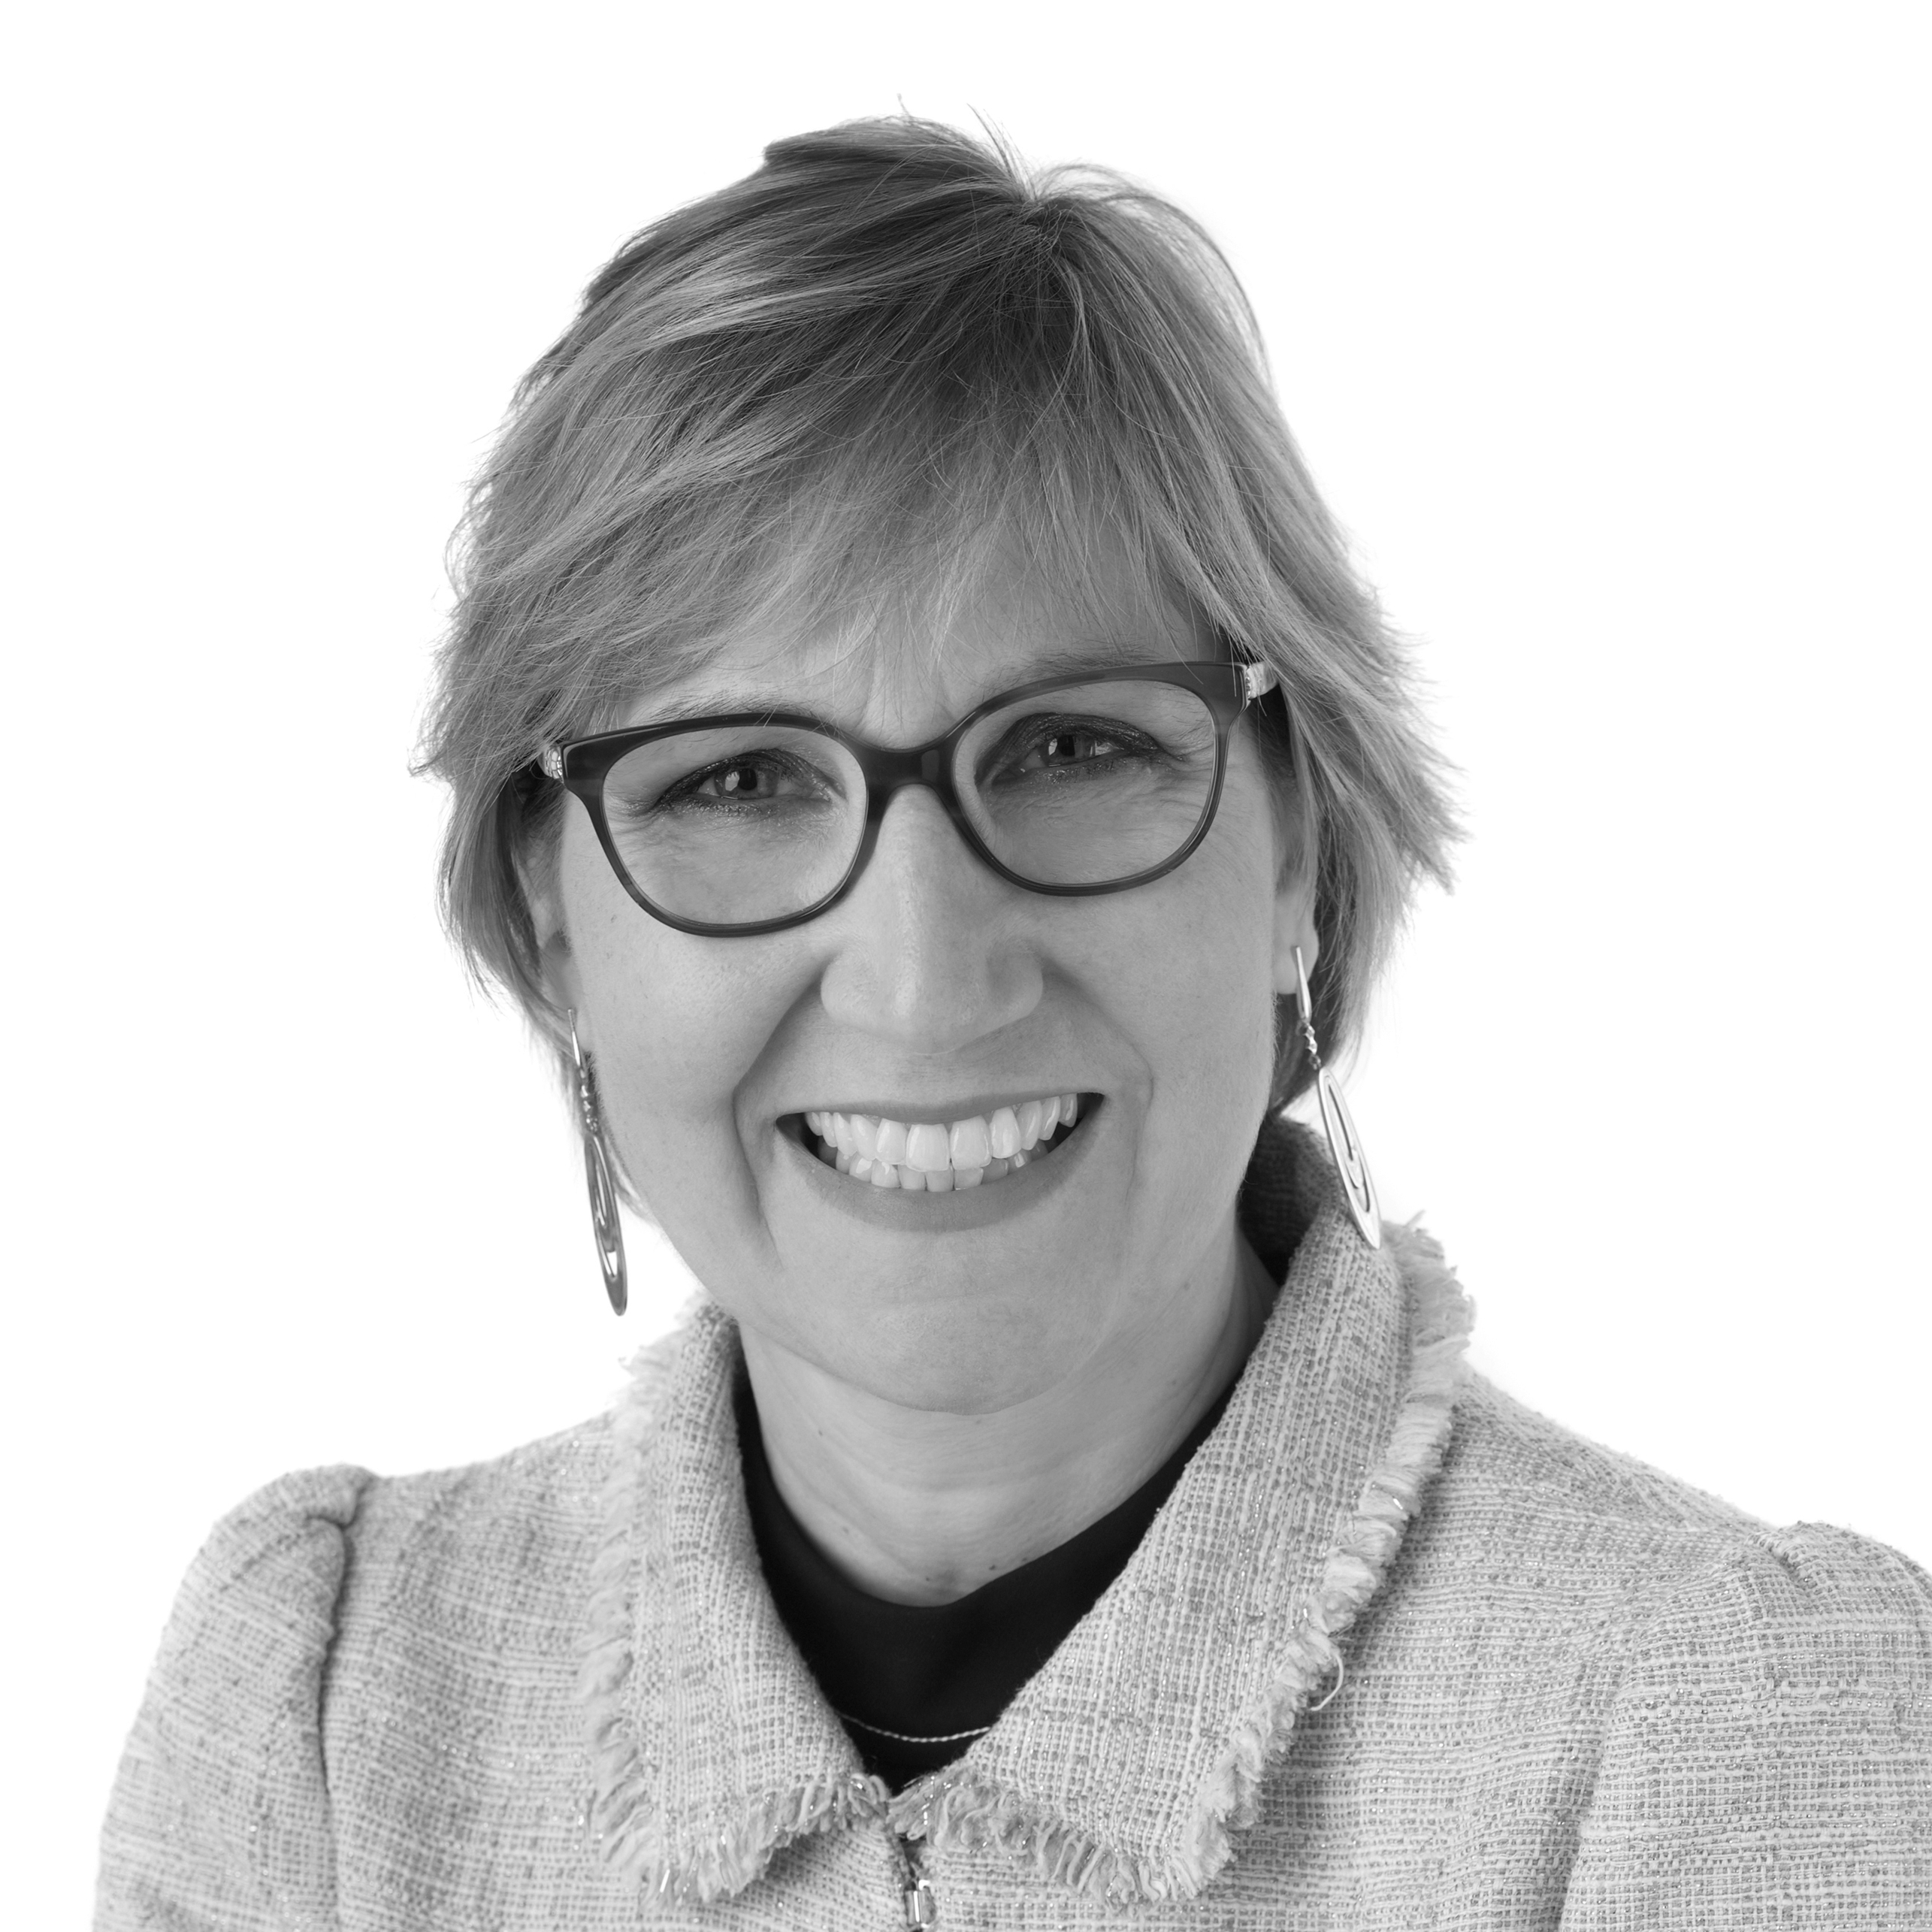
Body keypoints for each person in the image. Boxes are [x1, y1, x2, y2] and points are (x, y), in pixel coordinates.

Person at [95, 116, 1932, 1928]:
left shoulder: (1725, 1734)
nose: (922, 974)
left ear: (1298, 839)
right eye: (737, 777)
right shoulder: (331, 1717)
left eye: (1071, 749)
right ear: (547, 920)